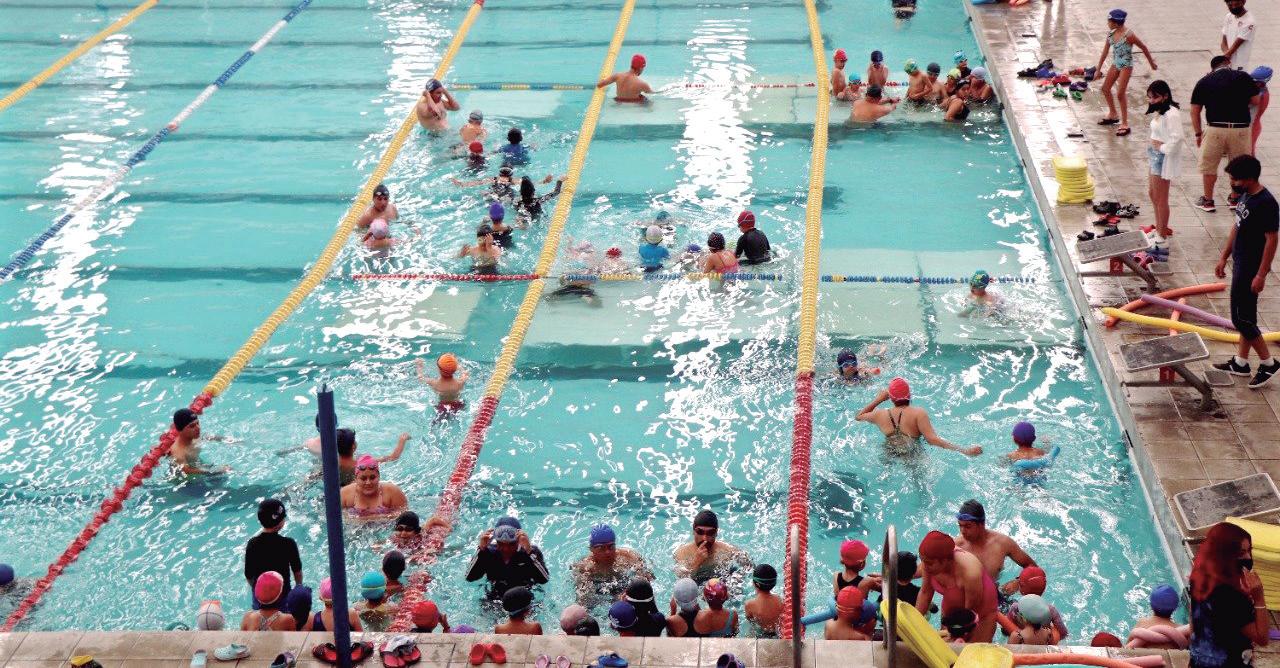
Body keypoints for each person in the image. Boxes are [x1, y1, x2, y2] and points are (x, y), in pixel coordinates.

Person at [1213, 155, 1280, 387]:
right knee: (1246, 315)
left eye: (1235, 179)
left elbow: (1272, 240)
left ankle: (1269, 363)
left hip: (1251, 267)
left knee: (1240, 318)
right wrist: (1224, 256)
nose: (1232, 183)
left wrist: (1261, 274)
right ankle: (1241, 363)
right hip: (1240, 262)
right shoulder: (1245, 196)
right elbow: (1237, 226)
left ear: (1250, 178)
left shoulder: (1266, 203)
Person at [1190, 522, 1269, 667]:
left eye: (1249, 550)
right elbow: (1262, 638)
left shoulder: (1200, 576)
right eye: (1241, 553)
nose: (1248, 557)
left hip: (1201, 659)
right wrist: (1259, 598)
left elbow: (1194, 618)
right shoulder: (1232, 598)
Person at [1192, 57, 1261, 212]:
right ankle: (1235, 199)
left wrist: (1198, 134)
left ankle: (1208, 201)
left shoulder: (1205, 81)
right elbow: (1256, 100)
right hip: (1240, 128)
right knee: (1239, 166)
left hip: (1215, 129)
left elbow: (1195, 110)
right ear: (1229, 64)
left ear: (1212, 68)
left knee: (1209, 167)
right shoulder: (1243, 77)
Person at [855, 378, 983, 456]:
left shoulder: (880, 414)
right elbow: (932, 440)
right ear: (909, 395)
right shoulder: (918, 413)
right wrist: (964, 451)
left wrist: (879, 399)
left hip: (889, 450)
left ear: (891, 398)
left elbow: (859, 416)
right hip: (912, 453)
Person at [916, 530, 998, 643]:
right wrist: (912, 624)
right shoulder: (929, 561)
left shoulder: (970, 571)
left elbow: (969, 614)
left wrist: (954, 635)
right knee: (944, 647)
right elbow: (925, 593)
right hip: (952, 604)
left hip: (980, 613)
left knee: (971, 651)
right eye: (922, 560)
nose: (924, 566)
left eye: (928, 563)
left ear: (945, 561)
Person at [954, 499, 1038, 595]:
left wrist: (1018, 582)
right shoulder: (956, 546)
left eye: (968, 526)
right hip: (966, 595)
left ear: (982, 524)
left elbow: (1033, 567)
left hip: (995, 594)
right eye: (960, 525)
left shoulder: (1002, 543)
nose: (962, 531)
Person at [1095, 9, 1158, 137]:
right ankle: (1113, 114)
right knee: (1105, 89)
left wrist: (1151, 63)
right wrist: (1098, 69)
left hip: (1126, 66)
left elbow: (1143, 47)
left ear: (1116, 23)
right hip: (1116, 63)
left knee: (1120, 93)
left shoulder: (1129, 35)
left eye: (1109, 21)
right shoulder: (1111, 34)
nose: (1107, 23)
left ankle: (1124, 123)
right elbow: (1104, 52)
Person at [465, 516, 551, 598]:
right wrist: (481, 549)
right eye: (501, 544)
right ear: (496, 541)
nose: (506, 549)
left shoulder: (529, 552)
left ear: (518, 540)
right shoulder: (488, 553)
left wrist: (529, 552)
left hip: (524, 597)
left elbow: (544, 579)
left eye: (511, 544)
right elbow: (470, 578)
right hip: (494, 597)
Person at [244, 499, 303, 611]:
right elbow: (297, 571)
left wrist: (256, 589)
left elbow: (248, 575)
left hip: (260, 598)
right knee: (284, 618)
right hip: (283, 595)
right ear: (280, 523)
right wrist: (298, 587)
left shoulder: (252, 544)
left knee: (260, 618)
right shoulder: (288, 544)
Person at [1146, 80, 1185, 246]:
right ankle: (1159, 228)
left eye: (1155, 97)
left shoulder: (1172, 114)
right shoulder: (1161, 111)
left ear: (1165, 96)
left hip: (1162, 157)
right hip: (1154, 155)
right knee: (1152, 194)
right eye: (1149, 97)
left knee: (1161, 198)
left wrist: (1162, 148)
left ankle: (1162, 234)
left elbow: (1178, 138)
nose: (1151, 101)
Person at [570, 523, 653, 602]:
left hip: (623, 586)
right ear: (591, 549)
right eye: (601, 548)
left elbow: (649, 578)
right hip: (597, 590)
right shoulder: (585, 567)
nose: (607, 552)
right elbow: (581, 596)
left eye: (611, 546)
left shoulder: (629, 557)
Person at [674, 510, 751, 583]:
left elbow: (750, 567)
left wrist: (738, 577)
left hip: (723, 581)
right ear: (693, 530)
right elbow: (682, 581)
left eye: (710, 533)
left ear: (716, 532)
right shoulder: (682, 553)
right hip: (696, 582)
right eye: (700, 532)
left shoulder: (728, 550)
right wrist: (696, 562)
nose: (705, 538)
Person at [1008, 566, 1069, 640]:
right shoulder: (1050, 610)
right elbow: (1063, 633)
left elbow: (1006, 629)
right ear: (1044, 589)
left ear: (1021, 588)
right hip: (1043, 640)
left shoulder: (1015, 607)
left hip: (1021, 640)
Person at [340, 455, 408, 517]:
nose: (368, 482)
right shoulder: (345, 494)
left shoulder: (393, 492)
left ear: (379, 476)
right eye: (363, 478)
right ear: (356, 479)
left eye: (372, 478)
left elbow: (405, 516)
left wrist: (360, 519)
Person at [168, 408, 228, 475]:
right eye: (192, 426)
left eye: (197, 423)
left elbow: (210, 437)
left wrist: (231, 440)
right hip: (187, 479)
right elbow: (186, 471)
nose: (198, 428)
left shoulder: (194, 437)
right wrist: (216, 470)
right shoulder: (178, 452)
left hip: (198, 466)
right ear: (180, 430)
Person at [1127, 584, 1187, 650]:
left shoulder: (1142, 623)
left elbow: (1126, 647)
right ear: (1175, 608)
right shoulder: (1181, 630)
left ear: (1151, 606)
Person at [417, 353, 468, 420]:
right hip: (458, 404)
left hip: (443, 408)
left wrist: (419, 366)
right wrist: (459, 366)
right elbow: (465, 374)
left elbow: (420, 378)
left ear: (439, 369)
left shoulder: (434, 383)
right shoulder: (459, 383)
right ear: (455, 369)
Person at [745, 564, 783, 636]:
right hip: (778, 633)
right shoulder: (779, 600)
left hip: (761, 634)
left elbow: (751, 622)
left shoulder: (749, 605)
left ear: (757, 584)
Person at [1221, 0, 1255, 70]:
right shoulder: (1228, 16)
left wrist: (1226, 56)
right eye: (1230, 5)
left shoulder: (1249, 22)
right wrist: (1226, 56)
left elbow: (1237, 44)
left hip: (1240, 64)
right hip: (1227, 61)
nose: (1234, 7)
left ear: (1243, 2)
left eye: (1236, 4)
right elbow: (1224, 42)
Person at [1250, 66, 1271, 154]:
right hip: (1251, 125)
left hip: (1252, 126)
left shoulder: (1261, 94)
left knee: (1249, 150)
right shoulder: (1259, 90)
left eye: (1257, 82)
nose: (1254, 83)